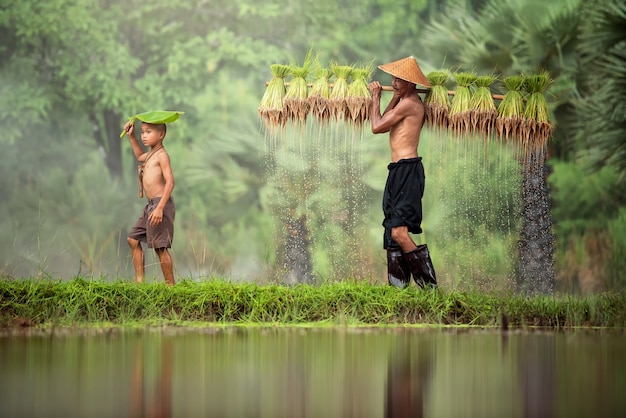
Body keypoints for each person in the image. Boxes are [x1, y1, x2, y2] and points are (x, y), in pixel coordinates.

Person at [368, 56, 437, 289]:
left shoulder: (411, 104)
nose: (394, 82)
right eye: (393, 78)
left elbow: (376, 125)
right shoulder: (403, 101)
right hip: (397, 170)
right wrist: (394, 97)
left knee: (399, 232)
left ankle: (429, 288)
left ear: (410, 83)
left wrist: (376, 98)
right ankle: (398, 291)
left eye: (399, 79)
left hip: (408, 170)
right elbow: (385, 123)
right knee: (391, 233)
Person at [123, 120, 176, 285]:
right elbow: (139, 156)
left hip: (161, 204)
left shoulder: (162, 155)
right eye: (142, 132)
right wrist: (131, 136)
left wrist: (160, 208)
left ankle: (170, 285)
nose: (144, 136)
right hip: (150, 205)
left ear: (161, 134)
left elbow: (170, 182)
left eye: (148, 132)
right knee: (133, 239)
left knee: (160, 247)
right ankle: (139, 280)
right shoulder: (151, 154)